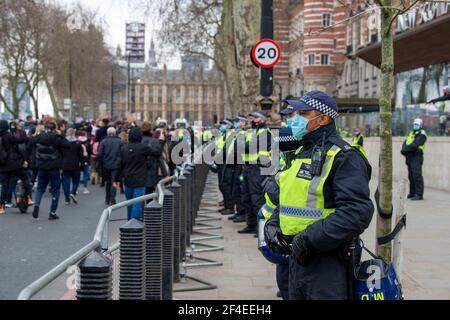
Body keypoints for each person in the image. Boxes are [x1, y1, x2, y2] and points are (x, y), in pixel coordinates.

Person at [265, 91, 374, 300]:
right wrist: (274, 224)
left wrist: (308, 239)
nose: (294, 118)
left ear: (323, 119)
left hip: (328, 262)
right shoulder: (300, 154)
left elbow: (357, 212)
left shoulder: (345, 156)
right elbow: (290, 201)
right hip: (297, 258)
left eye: (303, 113)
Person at [114, 127, 160, 220]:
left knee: (129, 202)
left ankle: (129, 223)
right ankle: (134, 224)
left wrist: (116, 179)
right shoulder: (143, 148)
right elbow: (157, 153)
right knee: (137, 203)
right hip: (140, 179)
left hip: (128, 179)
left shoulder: (124, 148)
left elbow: (119, 165)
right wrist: (161, 142)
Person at [238, 111, 272, 235]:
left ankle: (261, 228)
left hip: (258, 169)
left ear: (262, 119)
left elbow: (249, 146)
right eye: (252, 117)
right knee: (246, 198)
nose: (253, 119)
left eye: (256, 117)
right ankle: (251, 224)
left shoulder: (265, 133)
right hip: (248, 168)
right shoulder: (253, 132)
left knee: (257, 199)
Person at [32, 121, 71, 220]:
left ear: (45, 128)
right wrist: (61, 135)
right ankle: (52, 212)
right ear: (55, 128)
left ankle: (37, 204)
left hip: (41, 165)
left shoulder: (39, 137)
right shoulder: (56, 138)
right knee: (55, 189)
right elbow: (67, 145)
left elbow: (30, 144)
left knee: (40, 188)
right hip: (54, 166)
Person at [0, 120, 33, 215]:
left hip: (2, 166)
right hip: (13, 164)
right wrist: (25, 134)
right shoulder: (8, 135)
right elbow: (20, 141)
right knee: (25, 177)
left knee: (4, 187)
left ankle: (1, 207)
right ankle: (29, 198)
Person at [401, 118, 427, 201]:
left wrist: (404, 150)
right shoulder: (411, 133)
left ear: (420, 125)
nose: (415, 125)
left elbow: (414, 145)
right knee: (411, 176)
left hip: (416, 155)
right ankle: (412, 193)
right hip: (409, 156)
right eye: (414, 124)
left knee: (417, 175)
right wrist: (404, 150)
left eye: (417, 124)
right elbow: (405, 142)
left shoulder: (422, 134)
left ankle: (419, 194)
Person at [98, 127, 123, 206]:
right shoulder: (119, 141)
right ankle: (112, 199)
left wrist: (102, 162)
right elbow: (122, 153)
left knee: (108, 182)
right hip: (116, 165)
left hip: (106, 164)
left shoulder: (103, 141)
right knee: (114, 182)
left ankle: (107, 199)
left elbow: (100, 153)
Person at [141, 122, 165, 195]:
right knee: (150, 197)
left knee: (140, 197)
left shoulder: (139, 141)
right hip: (152, 172)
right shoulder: (155, 141)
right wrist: (165, 173)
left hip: (139, 173)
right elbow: (159, 158)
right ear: (151, 130)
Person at [61, 128, 83, 205]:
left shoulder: (63, 143)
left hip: (65, 164)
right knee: (76, 180)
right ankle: (73, 192)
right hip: (75, 164)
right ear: (73, 133)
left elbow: (60, 154)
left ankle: (67, 198)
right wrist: (82, 165)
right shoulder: (77, 143)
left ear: (66, 133)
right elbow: (81, 155)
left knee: (65, 182)